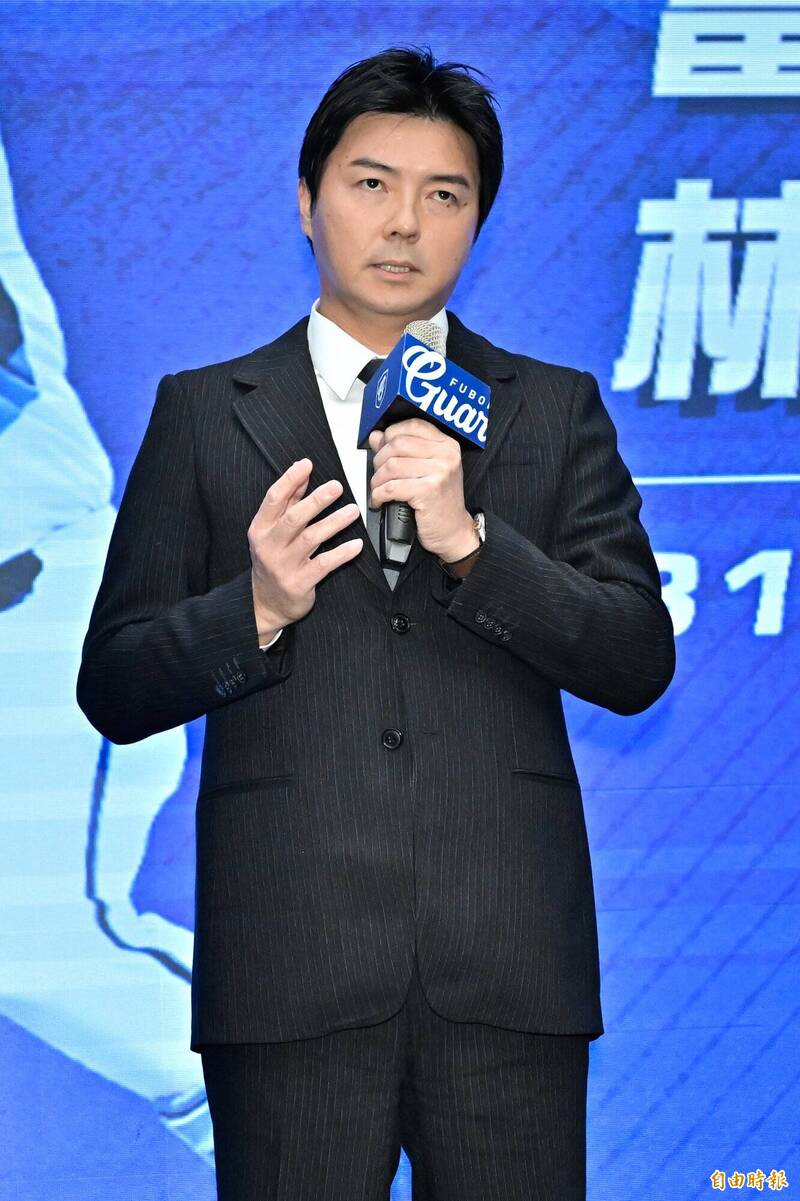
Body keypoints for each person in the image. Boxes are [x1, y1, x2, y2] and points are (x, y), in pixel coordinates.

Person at [77, 46, 676, 1201]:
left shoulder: (549, 410)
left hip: (505, 970)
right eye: (370, 184)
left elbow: (633, 656)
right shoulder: (204, 412)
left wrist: (476, 545)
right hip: (288, 969)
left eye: (443, 194)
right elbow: (116, 682)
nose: (404, 223)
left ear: (477, 222)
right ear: (307, 201)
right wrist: (255, 608)